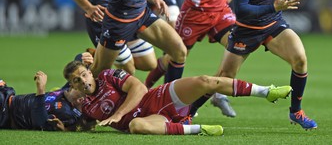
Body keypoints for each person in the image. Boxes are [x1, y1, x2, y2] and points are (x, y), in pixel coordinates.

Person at [215, 0, 317, 130]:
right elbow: (242, 11)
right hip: (246, 29)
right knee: (223, 80)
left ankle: (296, 111)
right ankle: (187, 113)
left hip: (273, 24)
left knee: (300, 59)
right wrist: (274, 5)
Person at [63, 60, 292, 135]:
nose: (83, 81)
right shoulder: (86, 108)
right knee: (135, 125)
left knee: (206, 81)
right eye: (76, 80)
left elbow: (140, 89)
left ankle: (266, 92)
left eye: (83, 74)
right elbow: (79, 124)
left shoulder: (107, 75)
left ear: (90, 72)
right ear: (72, 85)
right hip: (153, 119)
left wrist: (119, 113)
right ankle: (198, 128)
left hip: (158, 98)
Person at [0, 71, 90, 131]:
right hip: (7, 95)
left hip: (6, 114)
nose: (72, 85)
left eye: (76, 87)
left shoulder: (67, 113)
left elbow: (41, 124)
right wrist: (86, 61)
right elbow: (76, 65)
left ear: (80, 100)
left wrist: (41, 89)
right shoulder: (67, 94)